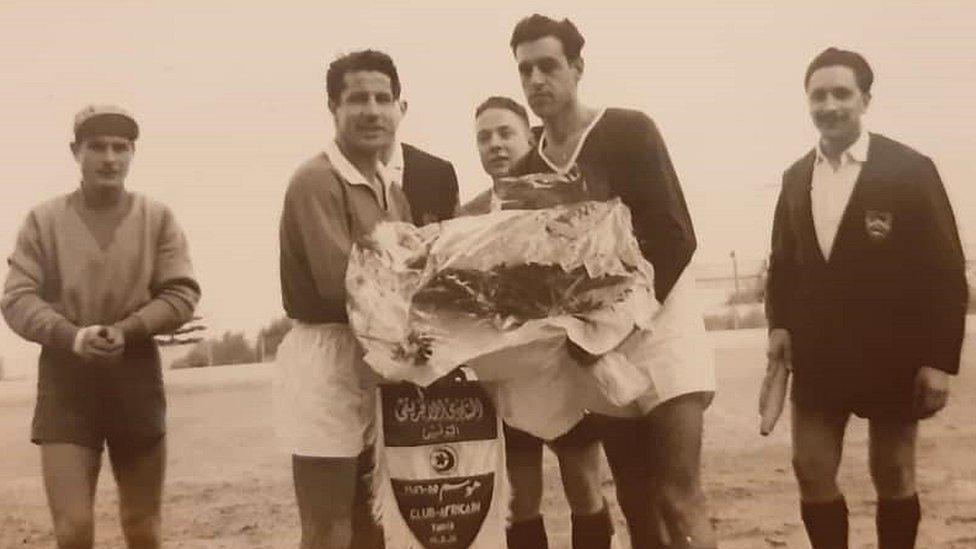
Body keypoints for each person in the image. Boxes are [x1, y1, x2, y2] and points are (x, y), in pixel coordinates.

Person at [507, 14, 719, 548]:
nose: (536, 80)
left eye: (548, 65)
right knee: (635, 500)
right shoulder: (529, 167)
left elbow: (675, 239)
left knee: (678, 496)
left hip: (660, 327)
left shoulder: (628, 130)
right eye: (525, 69)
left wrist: (613, 325)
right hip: (596, 350)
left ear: (577, 68)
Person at [764, 47, 967, 549]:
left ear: (865, 99)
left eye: (841, 93)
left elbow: (944, 271)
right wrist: (779, 326)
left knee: (894, 471)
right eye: (818, 95)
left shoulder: (909, 169)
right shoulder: (795, 177)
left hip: (893, 353)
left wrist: (940, 360)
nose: (829, 105)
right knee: (810, 470)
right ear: (806, 101)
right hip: (819, 357)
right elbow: (783, 266)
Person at [275, 49, 459, 549]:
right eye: (357, 99)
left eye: (383, 98)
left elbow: (416, 271)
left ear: (400, 107)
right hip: (328, 358)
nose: (373, 110)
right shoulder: (315, 179)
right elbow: (345, 287)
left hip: (380, 359)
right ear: (333, 108)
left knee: (377, 521)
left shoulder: (389, 187)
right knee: (328, 525)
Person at [1, 104, 200, 549]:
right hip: (67, 377)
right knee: (72, 529)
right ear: (76, 152)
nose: (109, 158)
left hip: (135, 373)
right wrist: (73, 337)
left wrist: (127, 330)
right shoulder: (44, 221)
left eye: (120, 147)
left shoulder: (157, 218)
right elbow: (16, 297)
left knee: (143, 526)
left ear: (132, 154)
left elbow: (182, 293)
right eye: (97, 147)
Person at [466, 95, 611, 548]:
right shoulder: (467, 215)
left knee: (584, 485)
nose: (495, 144)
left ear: (528, 136)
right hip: (505, 374)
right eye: (484, 137)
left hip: (563, 364)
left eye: (505, 133)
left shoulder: (564, 196)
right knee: (520, 498)